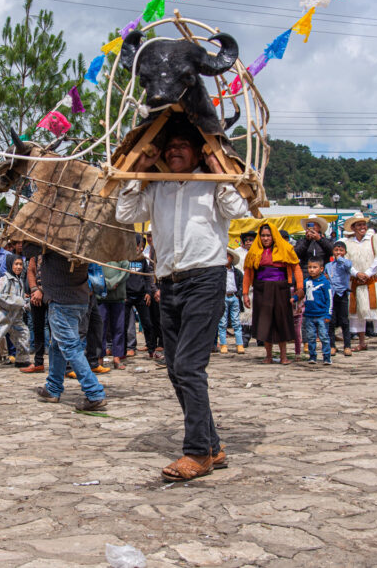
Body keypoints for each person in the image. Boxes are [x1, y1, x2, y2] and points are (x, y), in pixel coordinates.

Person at [116, 120, 247, 482]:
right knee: (176, 368)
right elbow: (125, 213)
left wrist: (218, 169)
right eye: (168, 145)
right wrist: (140, 168)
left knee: (189, 366)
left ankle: (196, 453)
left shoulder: (211, 184)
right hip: (168, 284)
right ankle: (212, 446)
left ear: (198, 150)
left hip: (205, 279)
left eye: (183, 145)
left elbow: (239, 210)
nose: (175, 150)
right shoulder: (157, 187)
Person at [32, 247, 106, 411]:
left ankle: (94, 392)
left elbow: (28, 249)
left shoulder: (56, 242)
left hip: (62, 302)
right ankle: (53, 388)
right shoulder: (82, 242)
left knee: (70, 347)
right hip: (79, 300)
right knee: (57, 345)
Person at [243, 224, 302, 365]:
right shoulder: (254, 251)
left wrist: (300, 288)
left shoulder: (286, 249)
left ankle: (283, 356)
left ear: (274, 236)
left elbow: (296, 268)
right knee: (265, 322)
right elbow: (248, 273)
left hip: (281, 289)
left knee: (281, 321)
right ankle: (268, 356)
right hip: (261, 289)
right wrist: (245, 293)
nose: (265, 238)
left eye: (268, 235)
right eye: (263, 235)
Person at [343, 213, 377, 354]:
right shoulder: (348, 243)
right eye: (358, 225)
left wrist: (368, 272)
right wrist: (356, 273)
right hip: (356, 279)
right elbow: (345, 261)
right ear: (353, 227)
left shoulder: (374, 240)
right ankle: (361, 342)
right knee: (357, 310)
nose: (362, 227)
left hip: (371, 279)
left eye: (363, 224)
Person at [0, 254, 31, 367]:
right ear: (10, 265)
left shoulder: (19, 281)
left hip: (15, 315)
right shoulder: (4, 280)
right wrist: (20, 301)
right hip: (2, 315)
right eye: (16, 264)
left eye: (20, 264)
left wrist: (25, 303)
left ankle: (22, 359)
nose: (19, 267)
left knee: (23, 334)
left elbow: (20, 298)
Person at [125, 238, 159, 356]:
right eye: (137, 245)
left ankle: (151, 349)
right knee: (124, 325)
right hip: (127, 296)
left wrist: (148, 292)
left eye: (141, 246)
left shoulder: (143, 260)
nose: (139, 248)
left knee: (147, 323)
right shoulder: (125, 258)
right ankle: (125, 349)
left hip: (141, 295)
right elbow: (121, 276)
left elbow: (147, 277)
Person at [325, 241, 354, 355]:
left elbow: (348, 266)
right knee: (331, 321)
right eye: (336, 250)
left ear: (345, 252)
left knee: (344, 321)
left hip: (342, 294)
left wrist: (340, 258)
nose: (338, 252)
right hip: (332, 295)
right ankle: (332, 345)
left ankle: (347, 346)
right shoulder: (328, 265)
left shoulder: (346, 263)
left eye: (341, 250)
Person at [302, 257, 332, 365]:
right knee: (311, 337)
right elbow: (303, 293)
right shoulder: (307, 281)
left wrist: (328, 314)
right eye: (310, 267)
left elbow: (329, 299)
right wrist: (295, 299)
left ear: (321, 269)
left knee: (324, 337)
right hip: (309, 315)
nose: (312, 270)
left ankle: (327, 357)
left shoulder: (325, 283)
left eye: (315, 267)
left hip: (322, 315)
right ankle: (312, 356)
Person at [100, 261, 130, 369]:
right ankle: (100, 358)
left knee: (119, 328)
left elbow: (126, 271)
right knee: (101, 328)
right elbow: (95, 269)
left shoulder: (121, 254)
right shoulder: (100, 253)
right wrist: (107, 283)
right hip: (102, 296)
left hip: (118, 296)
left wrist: (114, 281)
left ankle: (117, 357)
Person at [20, 254, 47, 373]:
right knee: (37, 328)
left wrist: (42, 290)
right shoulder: (35, 253)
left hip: (53, 294)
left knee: (56, 330)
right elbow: (31, 271)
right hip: (36, 296)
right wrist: (35, 290)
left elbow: (54, 273)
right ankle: (38, 362)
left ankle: (64, 366)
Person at [217, 249, 244, 354]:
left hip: (233, 296)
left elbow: (241, 283)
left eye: (228, 256)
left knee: (236, 321)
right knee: (222, 322)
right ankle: (223, 344)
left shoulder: (236, 272)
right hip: (223, 296)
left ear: (232, 258)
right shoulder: (220, 272)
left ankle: (239, 344)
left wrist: (238, 295)